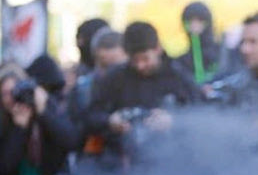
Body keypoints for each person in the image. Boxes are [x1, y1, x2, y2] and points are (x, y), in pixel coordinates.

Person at [86, 21, 201, 164]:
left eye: (145, 59)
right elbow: (91, 115)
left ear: (157, 49)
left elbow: (202, 116)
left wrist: (173, 120)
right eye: (135, 60)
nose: (140, 66)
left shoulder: (179, 77)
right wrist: (109, 120)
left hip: (173, 162)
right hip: (124, 163)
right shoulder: (115, 78)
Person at [0, 63, 79, 175]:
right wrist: (19, 129)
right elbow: (2, 168)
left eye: (15, 92)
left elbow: (70, 141)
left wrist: (42, 112)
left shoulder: (44, 110)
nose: (12, 99)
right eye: (5, 94)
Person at [172, 1, 220, 84]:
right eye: (190, 22)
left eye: (199, 21)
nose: (194, 26)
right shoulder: (180, 63)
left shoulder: (223, 54)